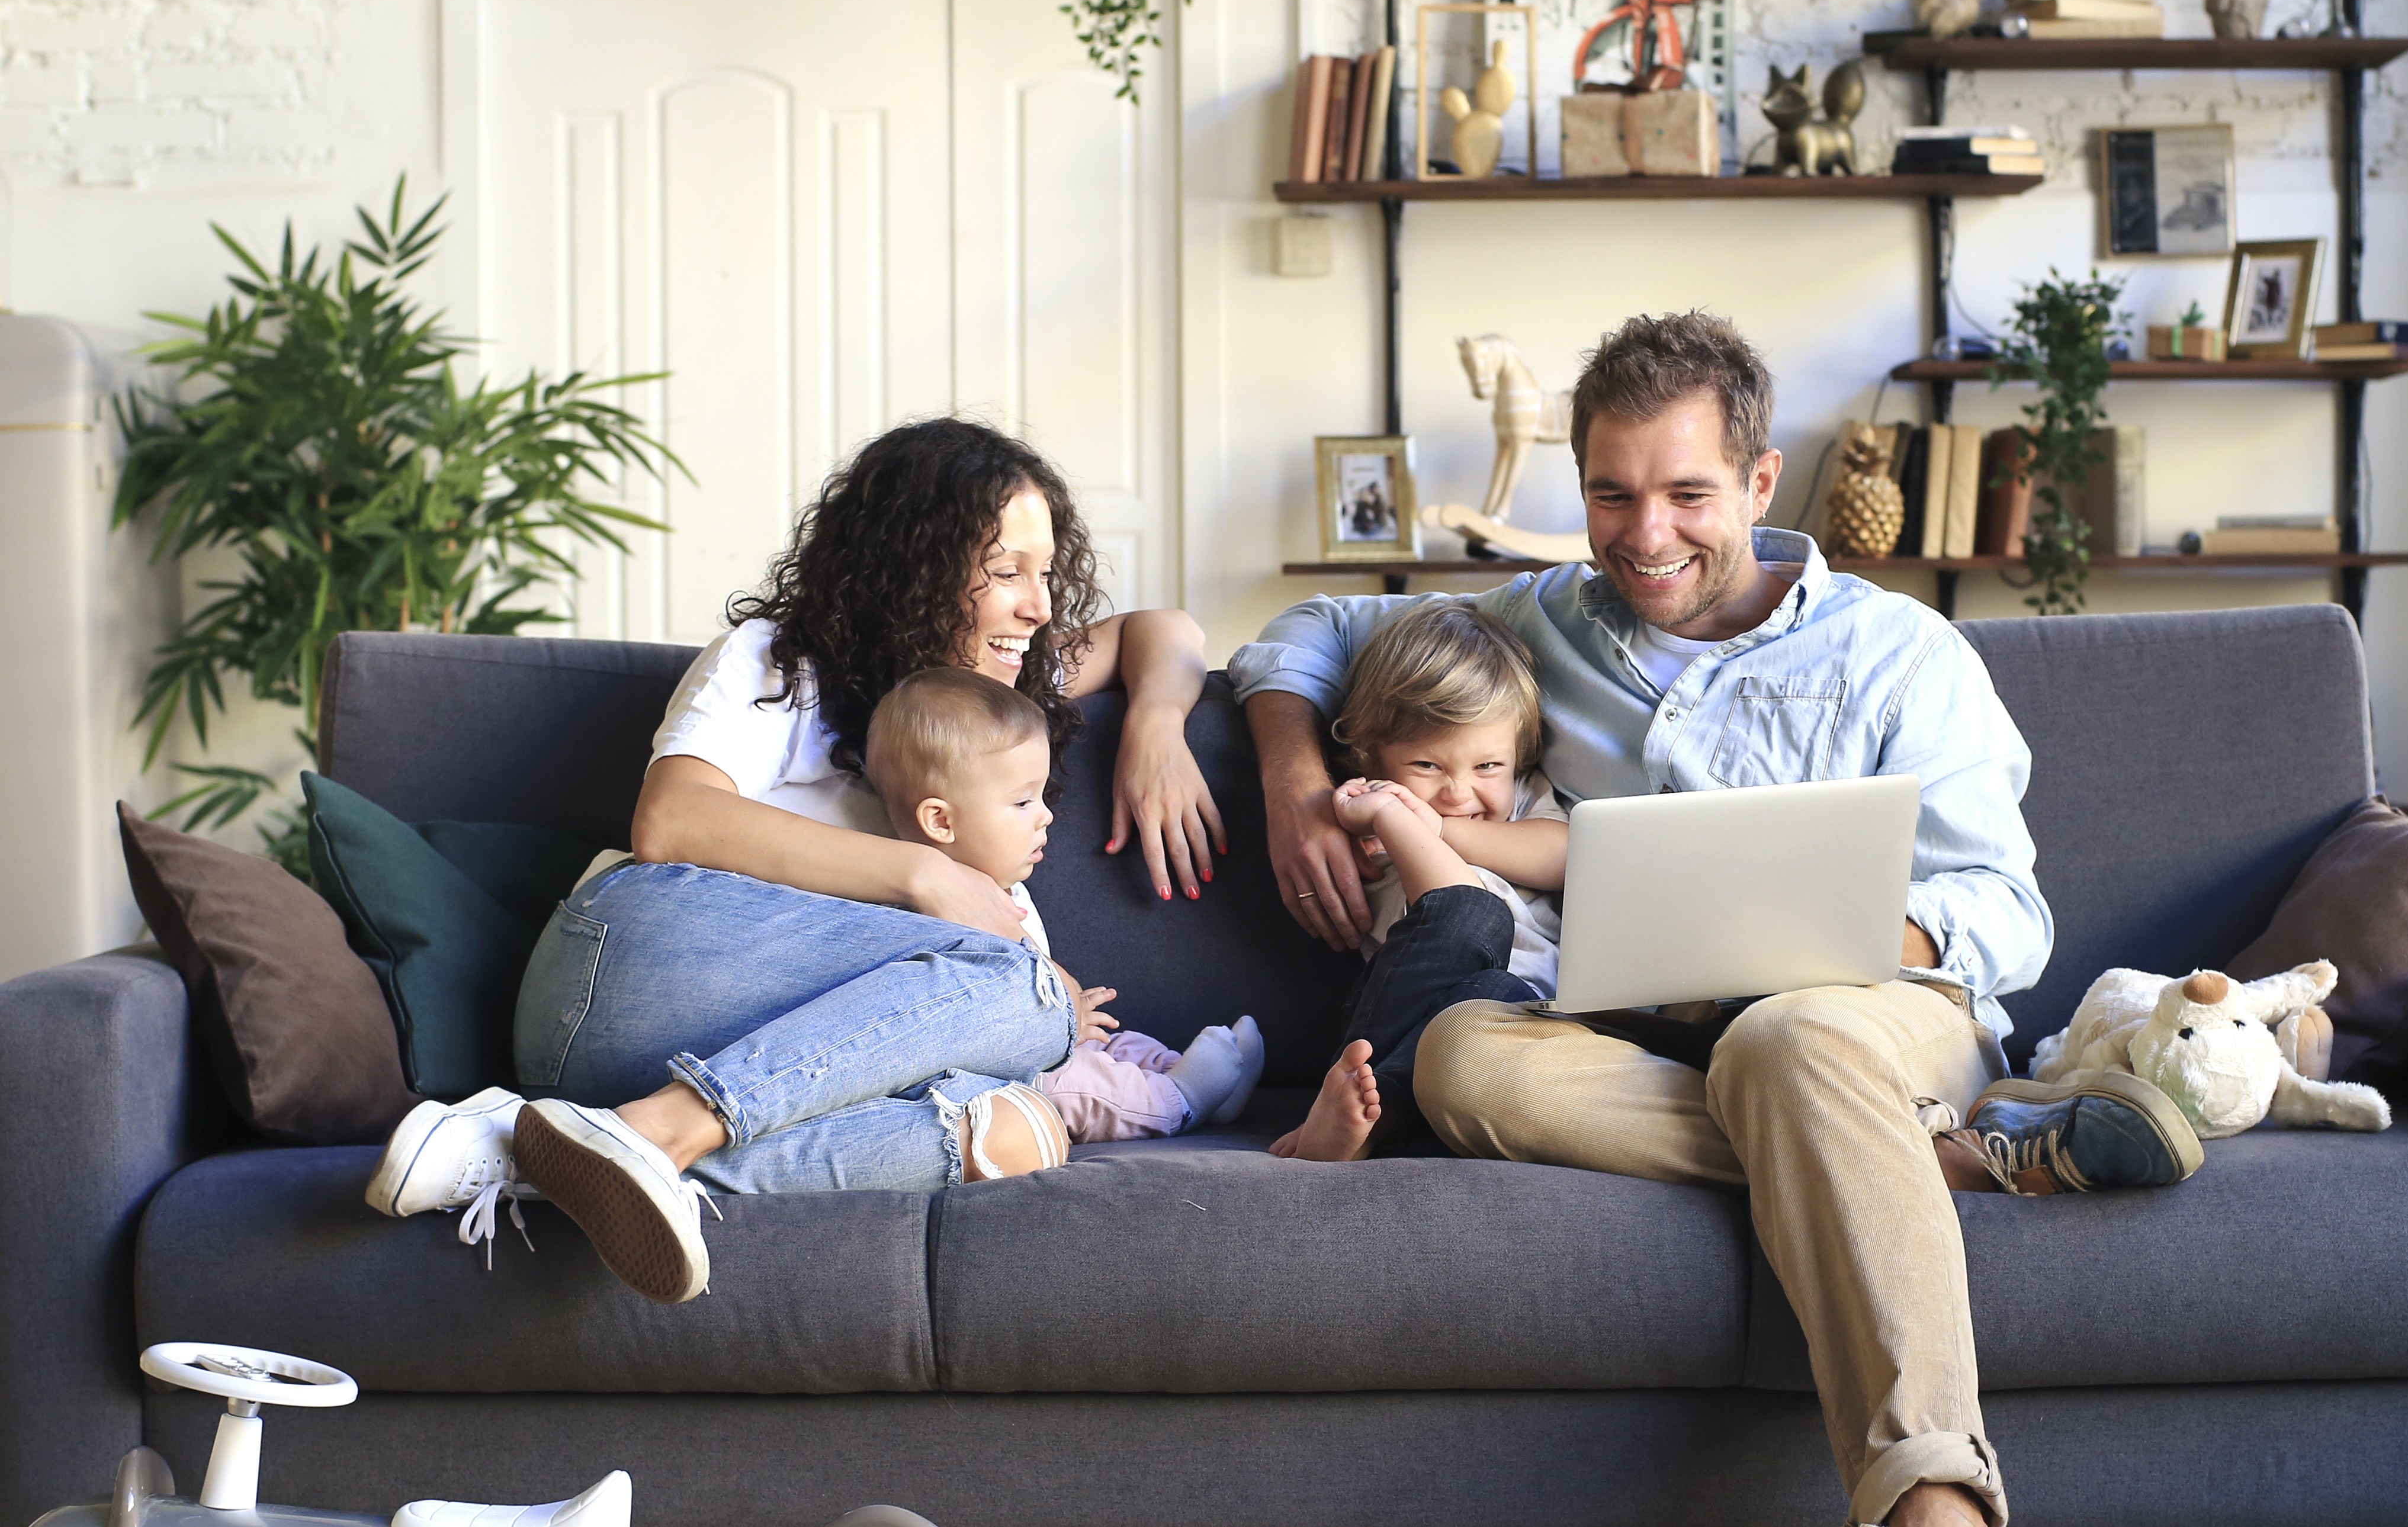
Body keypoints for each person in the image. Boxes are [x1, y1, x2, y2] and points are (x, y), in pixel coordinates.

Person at [1229, 313, 2191, 1527]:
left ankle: (1930, 1497)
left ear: (1757, 480)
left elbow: (2004, 912)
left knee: (1788, 1039)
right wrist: (1290, 783)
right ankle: (1927, 1149)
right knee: (1467, 1056)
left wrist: (1827, 940)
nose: (1646, 536)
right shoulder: (1538, 621)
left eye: (1687, 493)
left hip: (1866, 1018)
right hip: (1630, 1031)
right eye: (1611, 494)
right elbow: (1310, 632)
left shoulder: (1901, 653)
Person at [365, 416, 1229, 1307]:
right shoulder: (780, 663)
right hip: (625, 978)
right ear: (916, 568)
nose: (1041, 606)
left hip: (737, 1072)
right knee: (1030, 987)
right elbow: (672, 818)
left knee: (1018, 1128)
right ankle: (662, 1130)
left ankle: (535, 1152)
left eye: (1045, 573)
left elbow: (1160, 631)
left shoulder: (995, 692)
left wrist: (1157, 729)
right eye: (1007, 572)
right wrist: (928, 879)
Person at [863, 667, 1265, 1143]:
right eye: (1022, 803)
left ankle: (1202, 1081)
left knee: (1116, 1045)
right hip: (1004, 1074)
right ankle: (1181, 1101)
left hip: (1049, 1039)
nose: (1047, 814)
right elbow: (968, 1022)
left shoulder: (1001, 886)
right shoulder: (930, 909)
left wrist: (1071, 1010)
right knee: (1078, 1087)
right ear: (940, 821)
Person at [1266, 600, 1568, 1162]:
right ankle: (1355, 1116)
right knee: (1470, 920)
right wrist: (1393, 818)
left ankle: (1371, 1131)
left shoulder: (1522, 799)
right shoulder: (1367, 813)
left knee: (1501, 994)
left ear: (1519, 755)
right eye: (1428, 766)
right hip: (1407, 1013)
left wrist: (1434, 824)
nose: (1459, 792)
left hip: (1518, 1019)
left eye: (1487, 767)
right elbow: (1459, 906)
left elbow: (1565, 854)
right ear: (1369, 752)